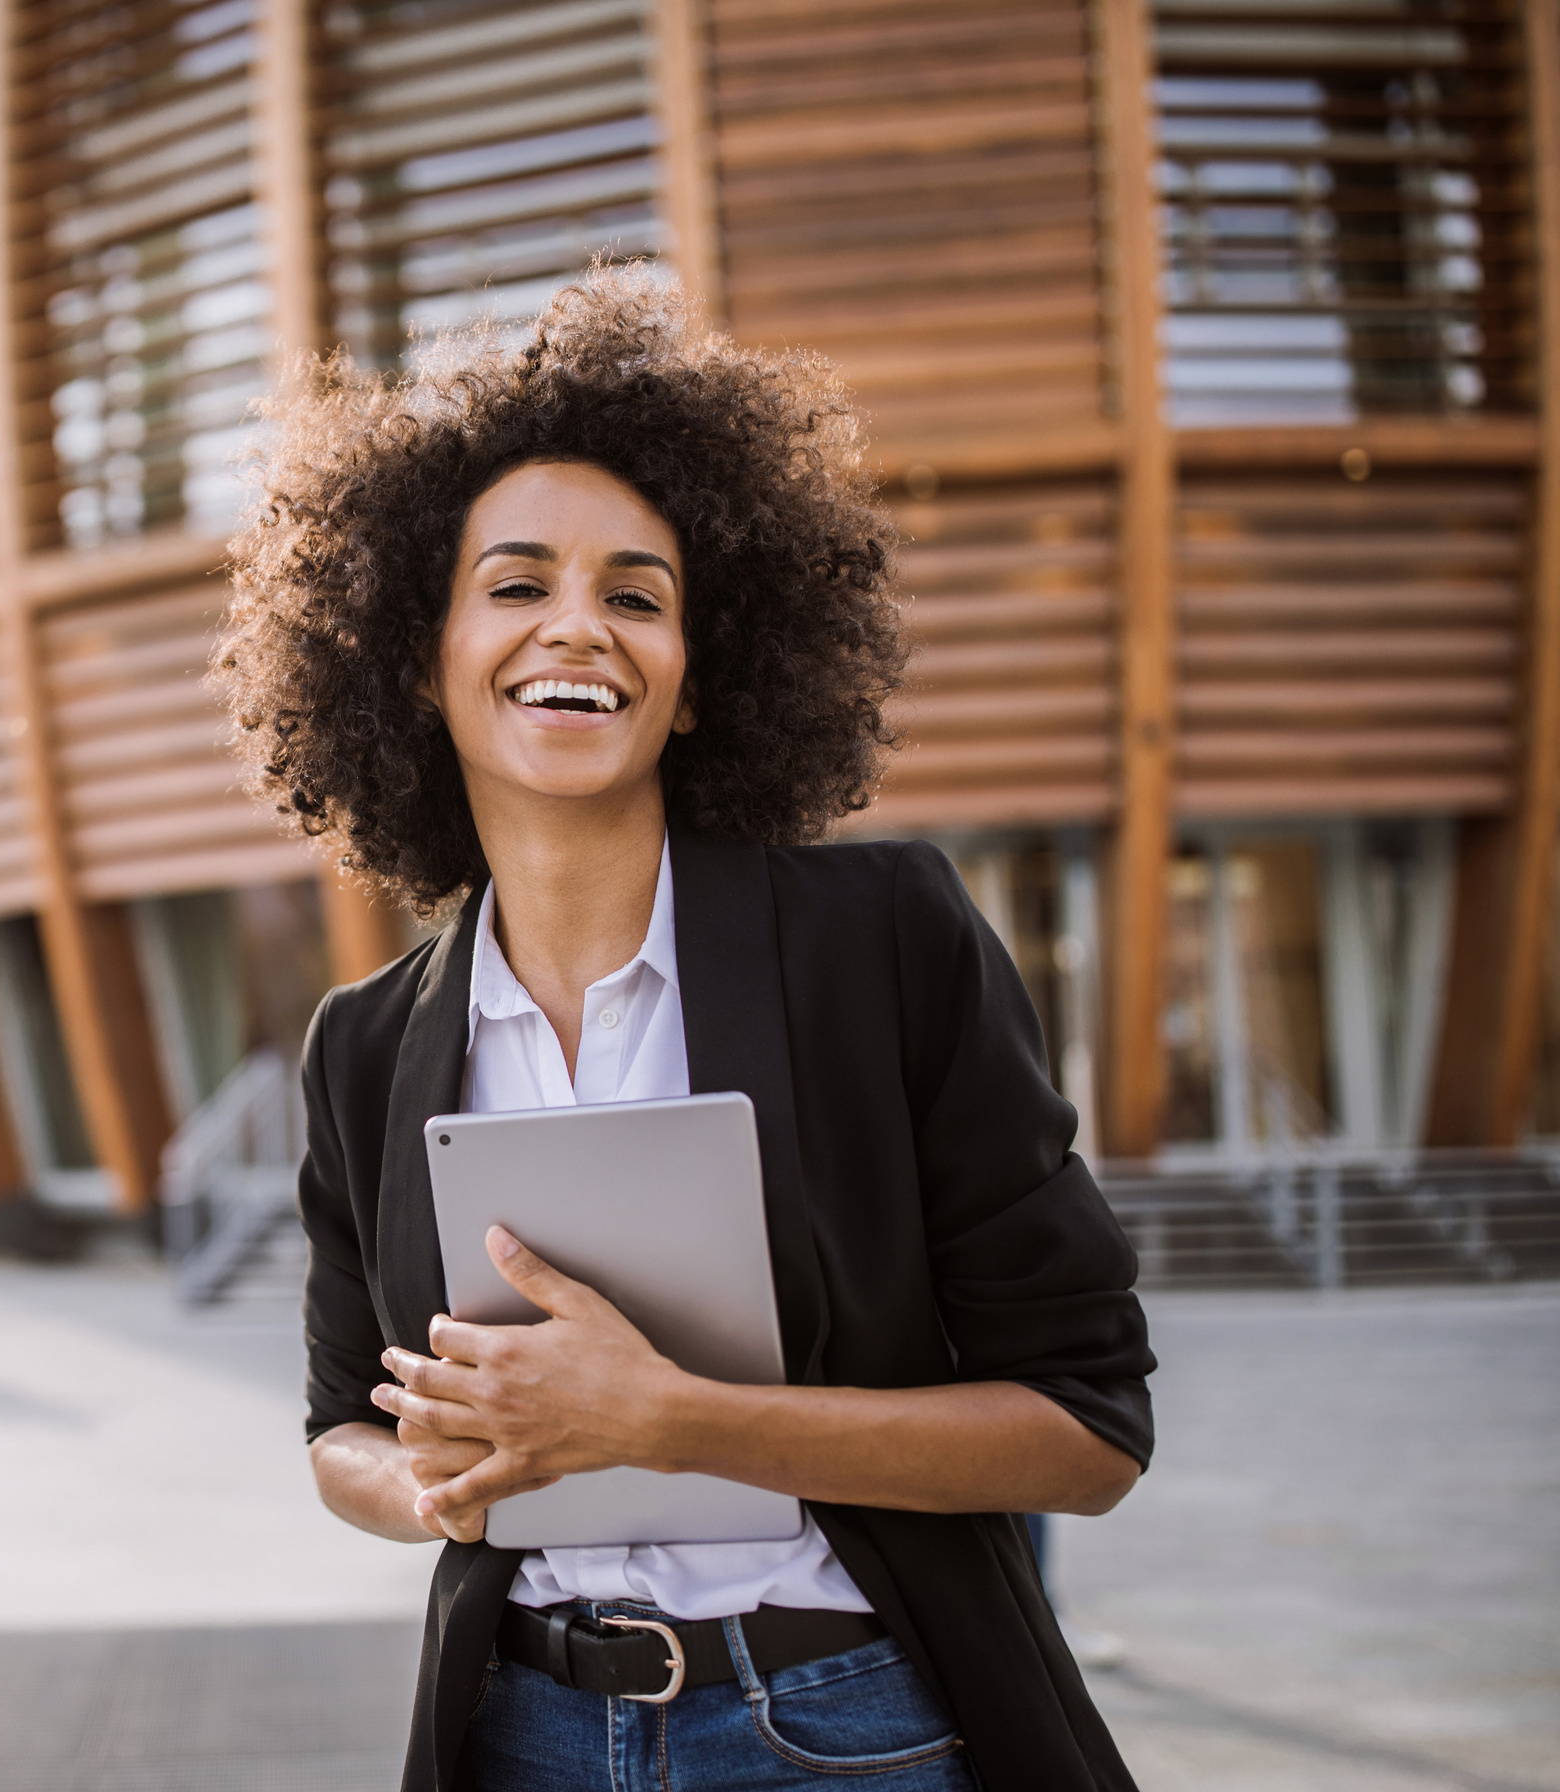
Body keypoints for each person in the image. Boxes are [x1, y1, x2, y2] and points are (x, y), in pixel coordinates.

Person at [214, 269, 1155, 1792]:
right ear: (414, 657)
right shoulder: (368, 1045)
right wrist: (441, 1487)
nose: (575, 626)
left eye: (635, 595)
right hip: (520, 1731)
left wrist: (675, 1420)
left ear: (698, 684)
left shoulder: (883, 942)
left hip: (843, 1729)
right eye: (516, 585)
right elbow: (341, 1433)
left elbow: (1086, 1431)